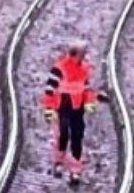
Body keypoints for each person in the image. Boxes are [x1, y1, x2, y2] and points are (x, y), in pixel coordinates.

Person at [41, 39, 108, 185]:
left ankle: (75, 170)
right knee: (63, 134)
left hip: (77, 108)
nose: (85, 55)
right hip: (63, 106)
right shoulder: (59, 68)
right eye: (83, 53)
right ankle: (59, 162)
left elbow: (87, 88)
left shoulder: (84, 68)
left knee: (77, 137)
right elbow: (50, 90)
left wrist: (90, 102)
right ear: (77, 53)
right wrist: (49, 109)